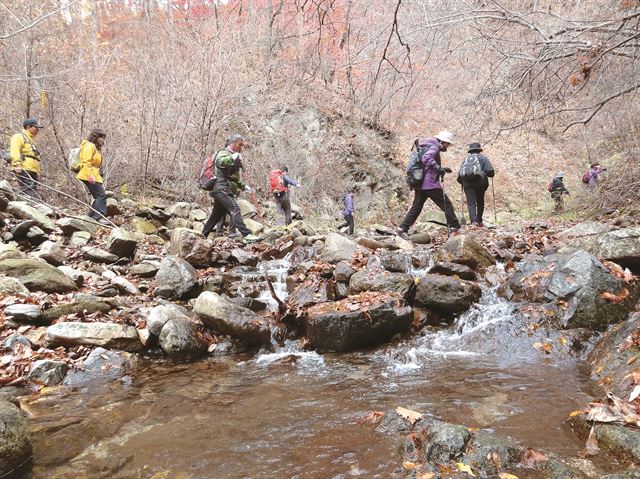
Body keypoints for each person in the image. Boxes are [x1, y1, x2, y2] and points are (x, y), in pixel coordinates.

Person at [397, 131, 460, 237]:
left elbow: (426, 164)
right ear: (442, 141)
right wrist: (438, 168)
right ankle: (455, 226)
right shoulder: (434, 147)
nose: (447, 146)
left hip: (420, 182)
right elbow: (426, 158)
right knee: (446, 204)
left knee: (416, 207)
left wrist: (442, 169)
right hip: (430, 184)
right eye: (447, 144)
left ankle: (402, 228)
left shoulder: (425, 145)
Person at [202, 134, 259, 242]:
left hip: (225, 188)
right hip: (221, 187)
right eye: (239, 144)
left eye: (242, 145)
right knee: (235, 208)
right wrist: (232, 158)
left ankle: (202, 235)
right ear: (232, 144)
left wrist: (243, 186)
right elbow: (219, 162)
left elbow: (233, 177)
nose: (241, 147)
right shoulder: (224, 153)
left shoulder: (234, 155)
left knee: (216, 215)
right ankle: (246, 235)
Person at [457, 142, 495, 226]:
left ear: (470, 151)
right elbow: (489, 171)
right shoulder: (483, 158)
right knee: (480, 201)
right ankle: (479, 220)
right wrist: (491, 174)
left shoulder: (466, 160)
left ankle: (473, 221)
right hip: (480, 183)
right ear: (479, 150)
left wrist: (463, 183)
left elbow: (460, 174)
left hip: (467, 184)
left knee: (471, 202)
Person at [76, 129, 109, 223]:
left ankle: (91, 216)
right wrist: (90, 176)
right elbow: (86, 162)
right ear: (95, 137)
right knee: (101, 195)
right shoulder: (89, 146)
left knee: (98, 196)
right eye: (100, 137)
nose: (102, 140)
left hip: (95, 175)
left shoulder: (95, 148)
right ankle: (98, 217)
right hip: (88, 174)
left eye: (103, 138)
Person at [10, 118, 43, 198]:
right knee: (29, 192)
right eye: (36, 127)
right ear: (29, 127)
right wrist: (17, 164)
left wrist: (37, 171)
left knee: (32, 191)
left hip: (32, 170)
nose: (38, 130)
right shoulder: (19, 136)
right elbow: (15, 150)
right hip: (23, 168)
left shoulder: (31, 140)